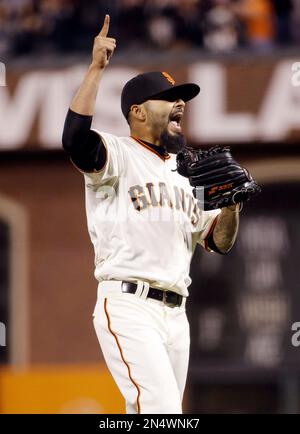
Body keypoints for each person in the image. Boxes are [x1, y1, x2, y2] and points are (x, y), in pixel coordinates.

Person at [62, 14, 240, 414]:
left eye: (182, 98)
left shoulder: (187, 173)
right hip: (129, 303)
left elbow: (219, 242)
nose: (180, 103)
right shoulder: (118, 155)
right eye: (169, 96)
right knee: (162, 412)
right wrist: (95, 70)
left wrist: (231, 202)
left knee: (153, 414)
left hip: (177, 314)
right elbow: (74, 140)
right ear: (138, 112)